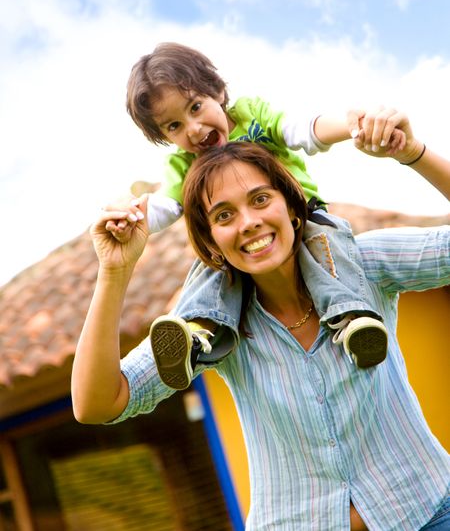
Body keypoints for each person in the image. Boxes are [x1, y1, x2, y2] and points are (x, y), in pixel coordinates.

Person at [72, 120, 450, 531]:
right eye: (224, 215)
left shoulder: (363, 265)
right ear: (212, 240)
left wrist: (413, 153)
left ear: (291, 205)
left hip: (428, 511)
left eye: (260, 199)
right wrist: (114, 271)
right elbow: (97, 403)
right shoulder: (206, 329)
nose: (248, 222)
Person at [118, 42, 404, 388]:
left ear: (219, 92)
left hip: (304, 215)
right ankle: (197, 335)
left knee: (330, 246)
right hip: (246, 248)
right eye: (174, 126)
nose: (192, 129)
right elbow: (167, 206)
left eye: (195, 107)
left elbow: (301, 130)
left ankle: (354, 318)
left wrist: (351, 125)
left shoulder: (253, 116)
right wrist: (133, 219)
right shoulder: (182, 164)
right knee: (211, 270)